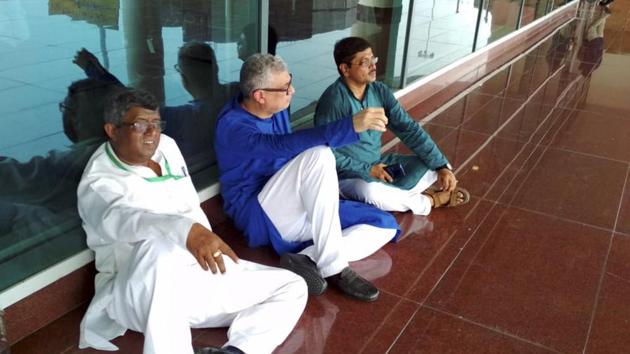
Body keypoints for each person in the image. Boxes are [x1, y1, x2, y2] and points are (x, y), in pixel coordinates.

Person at [77, 88, 307, 354]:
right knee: (157, 246)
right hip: (138, 293)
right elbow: (125, 220)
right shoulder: (99, 182)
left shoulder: (167, 147)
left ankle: (237, 350)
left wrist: (199, 238)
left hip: (197, 275)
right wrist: (185, 230)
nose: (152, 133)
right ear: (112, 130)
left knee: (292, 286)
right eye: (140, 125)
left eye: (156, 123)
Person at [214, 53, 400, 302]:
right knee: (320, 154)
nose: (293, 90)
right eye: (285, 87)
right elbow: (280, 146)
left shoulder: (275, 105)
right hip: (258, 211)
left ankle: (308, 258)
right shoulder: (233, 127)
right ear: (260, 96)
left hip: (291, 202)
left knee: (384, 225)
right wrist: (349, 126)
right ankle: (334, 266)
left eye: (290, 81)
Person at [314, 37, 470, 216]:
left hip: (379, 166)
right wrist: (368, 170)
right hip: (348, 176)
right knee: (370, 191)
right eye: (365, 62)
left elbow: (408, 129)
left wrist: (441, 166)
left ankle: (395, 198)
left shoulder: (379, 91)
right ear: (345, 69)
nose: (373, 66)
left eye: (373, 59)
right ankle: (428, 201)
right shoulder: (333, 101)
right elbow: (325, 153)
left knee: (432, 166)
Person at [74, 41, 238, 174]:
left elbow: (132, 104)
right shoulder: (237, 93)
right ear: (216, 68)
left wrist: (93, 69)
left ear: (183, 78)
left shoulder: (185, 117)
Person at [0, 78, 119, 239]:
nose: (65, 114)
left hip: (57, 241)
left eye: (66, 108)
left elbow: (19, 177)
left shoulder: (77, 161)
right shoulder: (117, 151)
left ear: (78, 118)